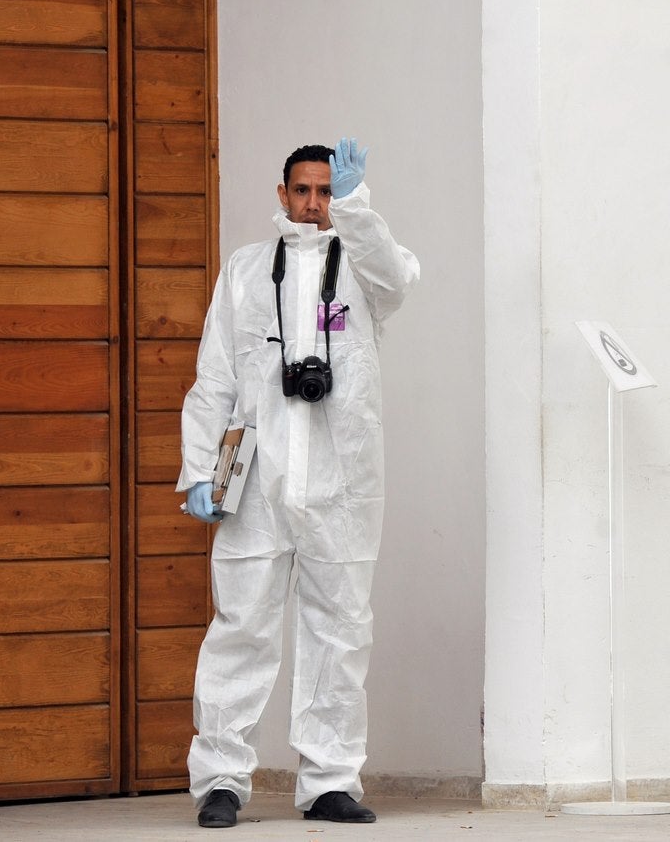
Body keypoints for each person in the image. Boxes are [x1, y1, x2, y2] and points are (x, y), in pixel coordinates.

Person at [176, 137, 420, 829]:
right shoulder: (248, 272)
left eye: (326, 191)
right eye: (305, 191)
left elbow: (397, 280)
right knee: (240, 630)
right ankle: (221, 781)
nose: (314, 204)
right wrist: (200, 470)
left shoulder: (365, 268)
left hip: (343, 483)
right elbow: (215, 377)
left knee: (340, 634)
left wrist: (358, 208)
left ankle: (331, 782)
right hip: (257, 480)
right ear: (282, 194)